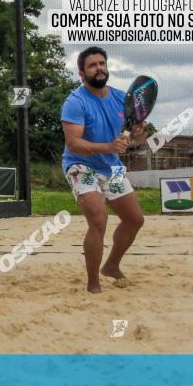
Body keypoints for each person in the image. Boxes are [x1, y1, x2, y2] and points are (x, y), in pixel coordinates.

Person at [61, 47, 147, 294]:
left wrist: (139, 134)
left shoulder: (123, 98)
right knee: (99, 219)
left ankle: (111, 266)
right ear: (81, 73)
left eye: (102, 63)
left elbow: (138, 140)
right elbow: (74, 143)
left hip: (112, 167)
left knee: (135, 220)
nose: (99, 68)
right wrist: (109, 146)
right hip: (80, 165)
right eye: (92, 65)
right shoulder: (75, 103)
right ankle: (93, 284)